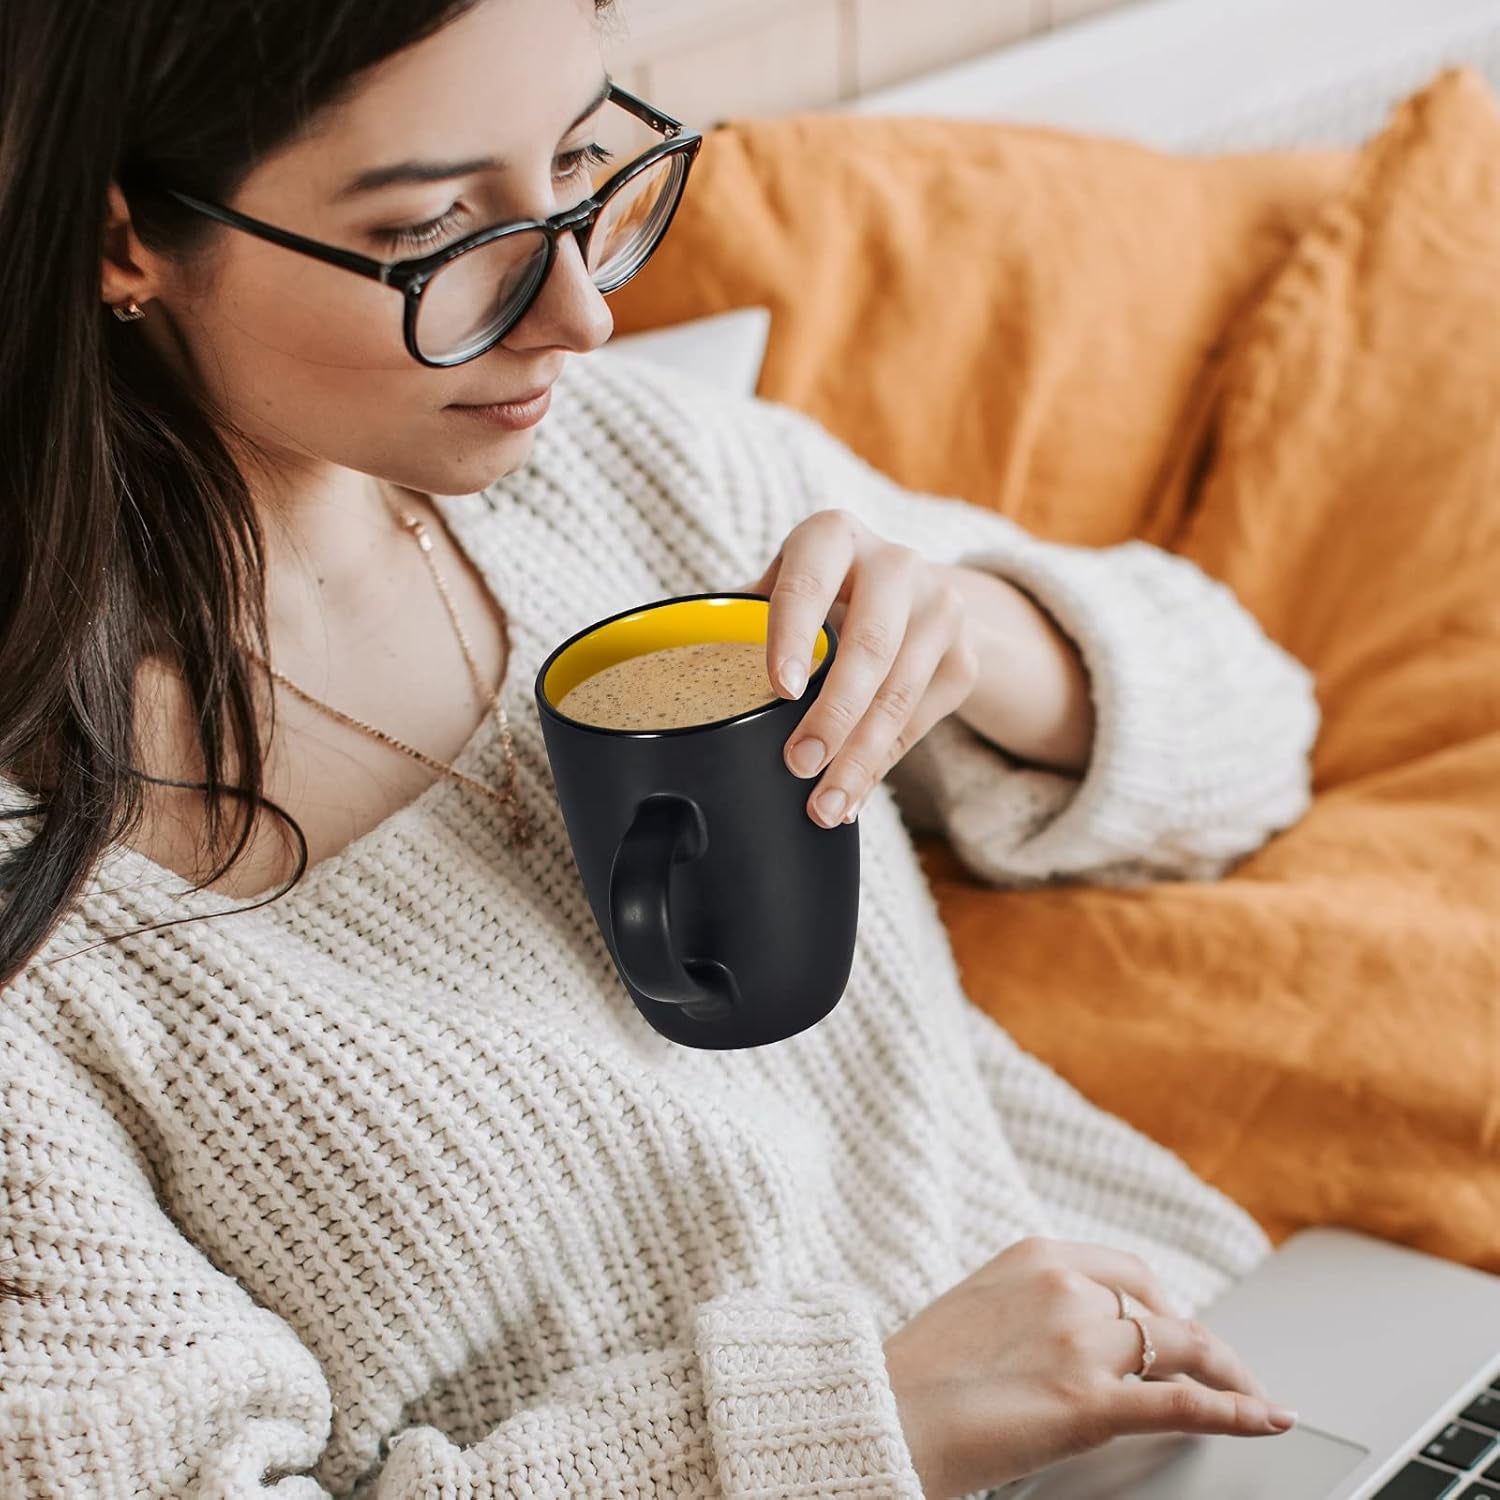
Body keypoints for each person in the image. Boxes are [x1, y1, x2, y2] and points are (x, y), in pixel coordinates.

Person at [0, 1, 1321, 1495]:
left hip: (1223, 1388)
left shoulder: (632, 467)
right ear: (124, 236)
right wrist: (866, 1420)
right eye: (440, 233)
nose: (582, 314)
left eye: (578, 167)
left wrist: (974, 639)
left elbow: (1256, 729)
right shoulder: (42, 919)